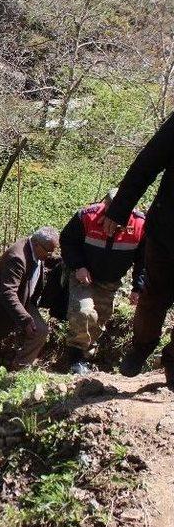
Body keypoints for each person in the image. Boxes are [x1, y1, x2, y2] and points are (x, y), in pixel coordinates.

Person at [101, 113, 174, 384]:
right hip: (168, 230)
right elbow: (147, 162)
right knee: (154, 295)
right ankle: (141, 347)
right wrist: (119, 209)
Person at [60, 189, 145, 374]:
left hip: (111, 281)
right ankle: (74, 360)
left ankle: (85, 357)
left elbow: (143, 259)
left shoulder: (140, 225)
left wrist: (138, 287)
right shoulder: (86, 217)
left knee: (99, 320)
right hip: (84, 276)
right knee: (84, 313)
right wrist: (78, 266)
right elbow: (67, 241)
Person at [0, 227, 60, 370]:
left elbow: (44, 261)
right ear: (36, 245)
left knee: (40, 331)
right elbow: (8, 293)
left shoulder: (36, 250)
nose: (50, 255)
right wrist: (25, 319)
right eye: (48, 251)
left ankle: (19, 369)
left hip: (24, 300)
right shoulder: (17, 258)